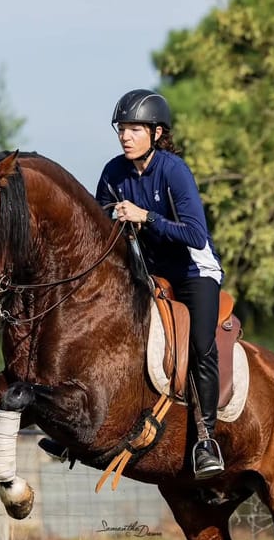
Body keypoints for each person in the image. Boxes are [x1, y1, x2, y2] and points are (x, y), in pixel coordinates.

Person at [95, 89, 225, 480]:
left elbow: (196, 235)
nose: (125, 136)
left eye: (135, 128)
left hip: (192, 274)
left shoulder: (173, 170)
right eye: (122, 129)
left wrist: (145, 216)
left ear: (156, 132)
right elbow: (98, 222)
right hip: (148, 276)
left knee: (201, 348)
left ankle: (206, 440)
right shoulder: (113, 172)